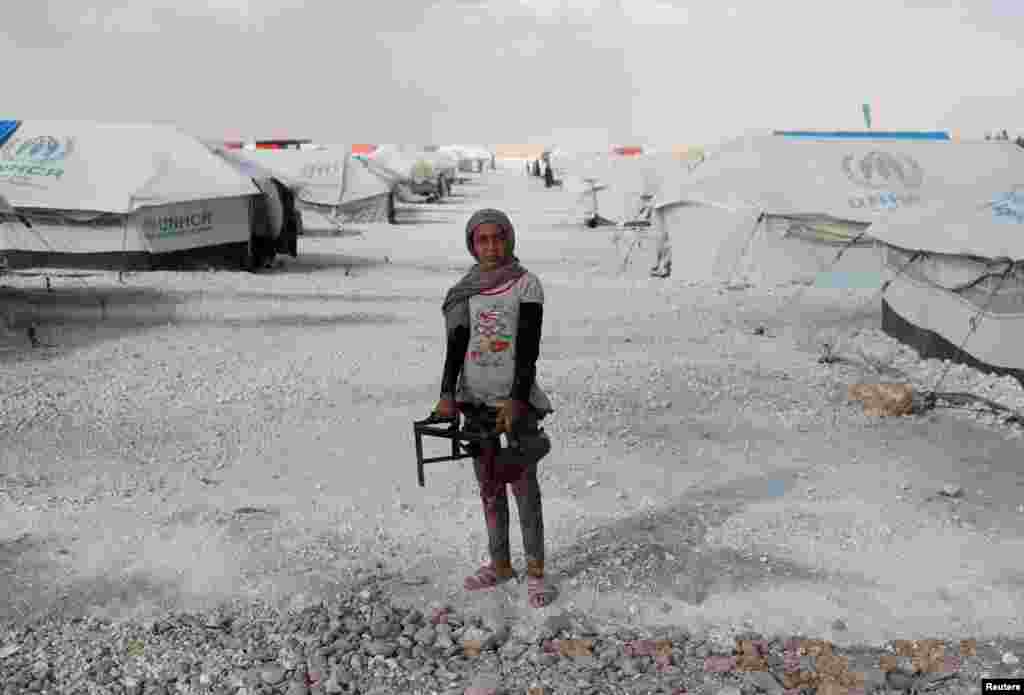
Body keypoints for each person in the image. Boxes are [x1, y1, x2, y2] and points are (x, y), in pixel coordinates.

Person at [434, 208, 557, 608]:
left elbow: (528, 349)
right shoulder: (465, 290)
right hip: (476, 401)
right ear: (471, 244)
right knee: (489, 486)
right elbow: (456, 347)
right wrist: (447, 394)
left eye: (497, 238)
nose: (490, 247)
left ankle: (536, 571)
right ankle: (501, 563)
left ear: (509, 239)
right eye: (482, 240)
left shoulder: (526, 285)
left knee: (523, 486)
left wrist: (517, 399)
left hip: (515, 402)